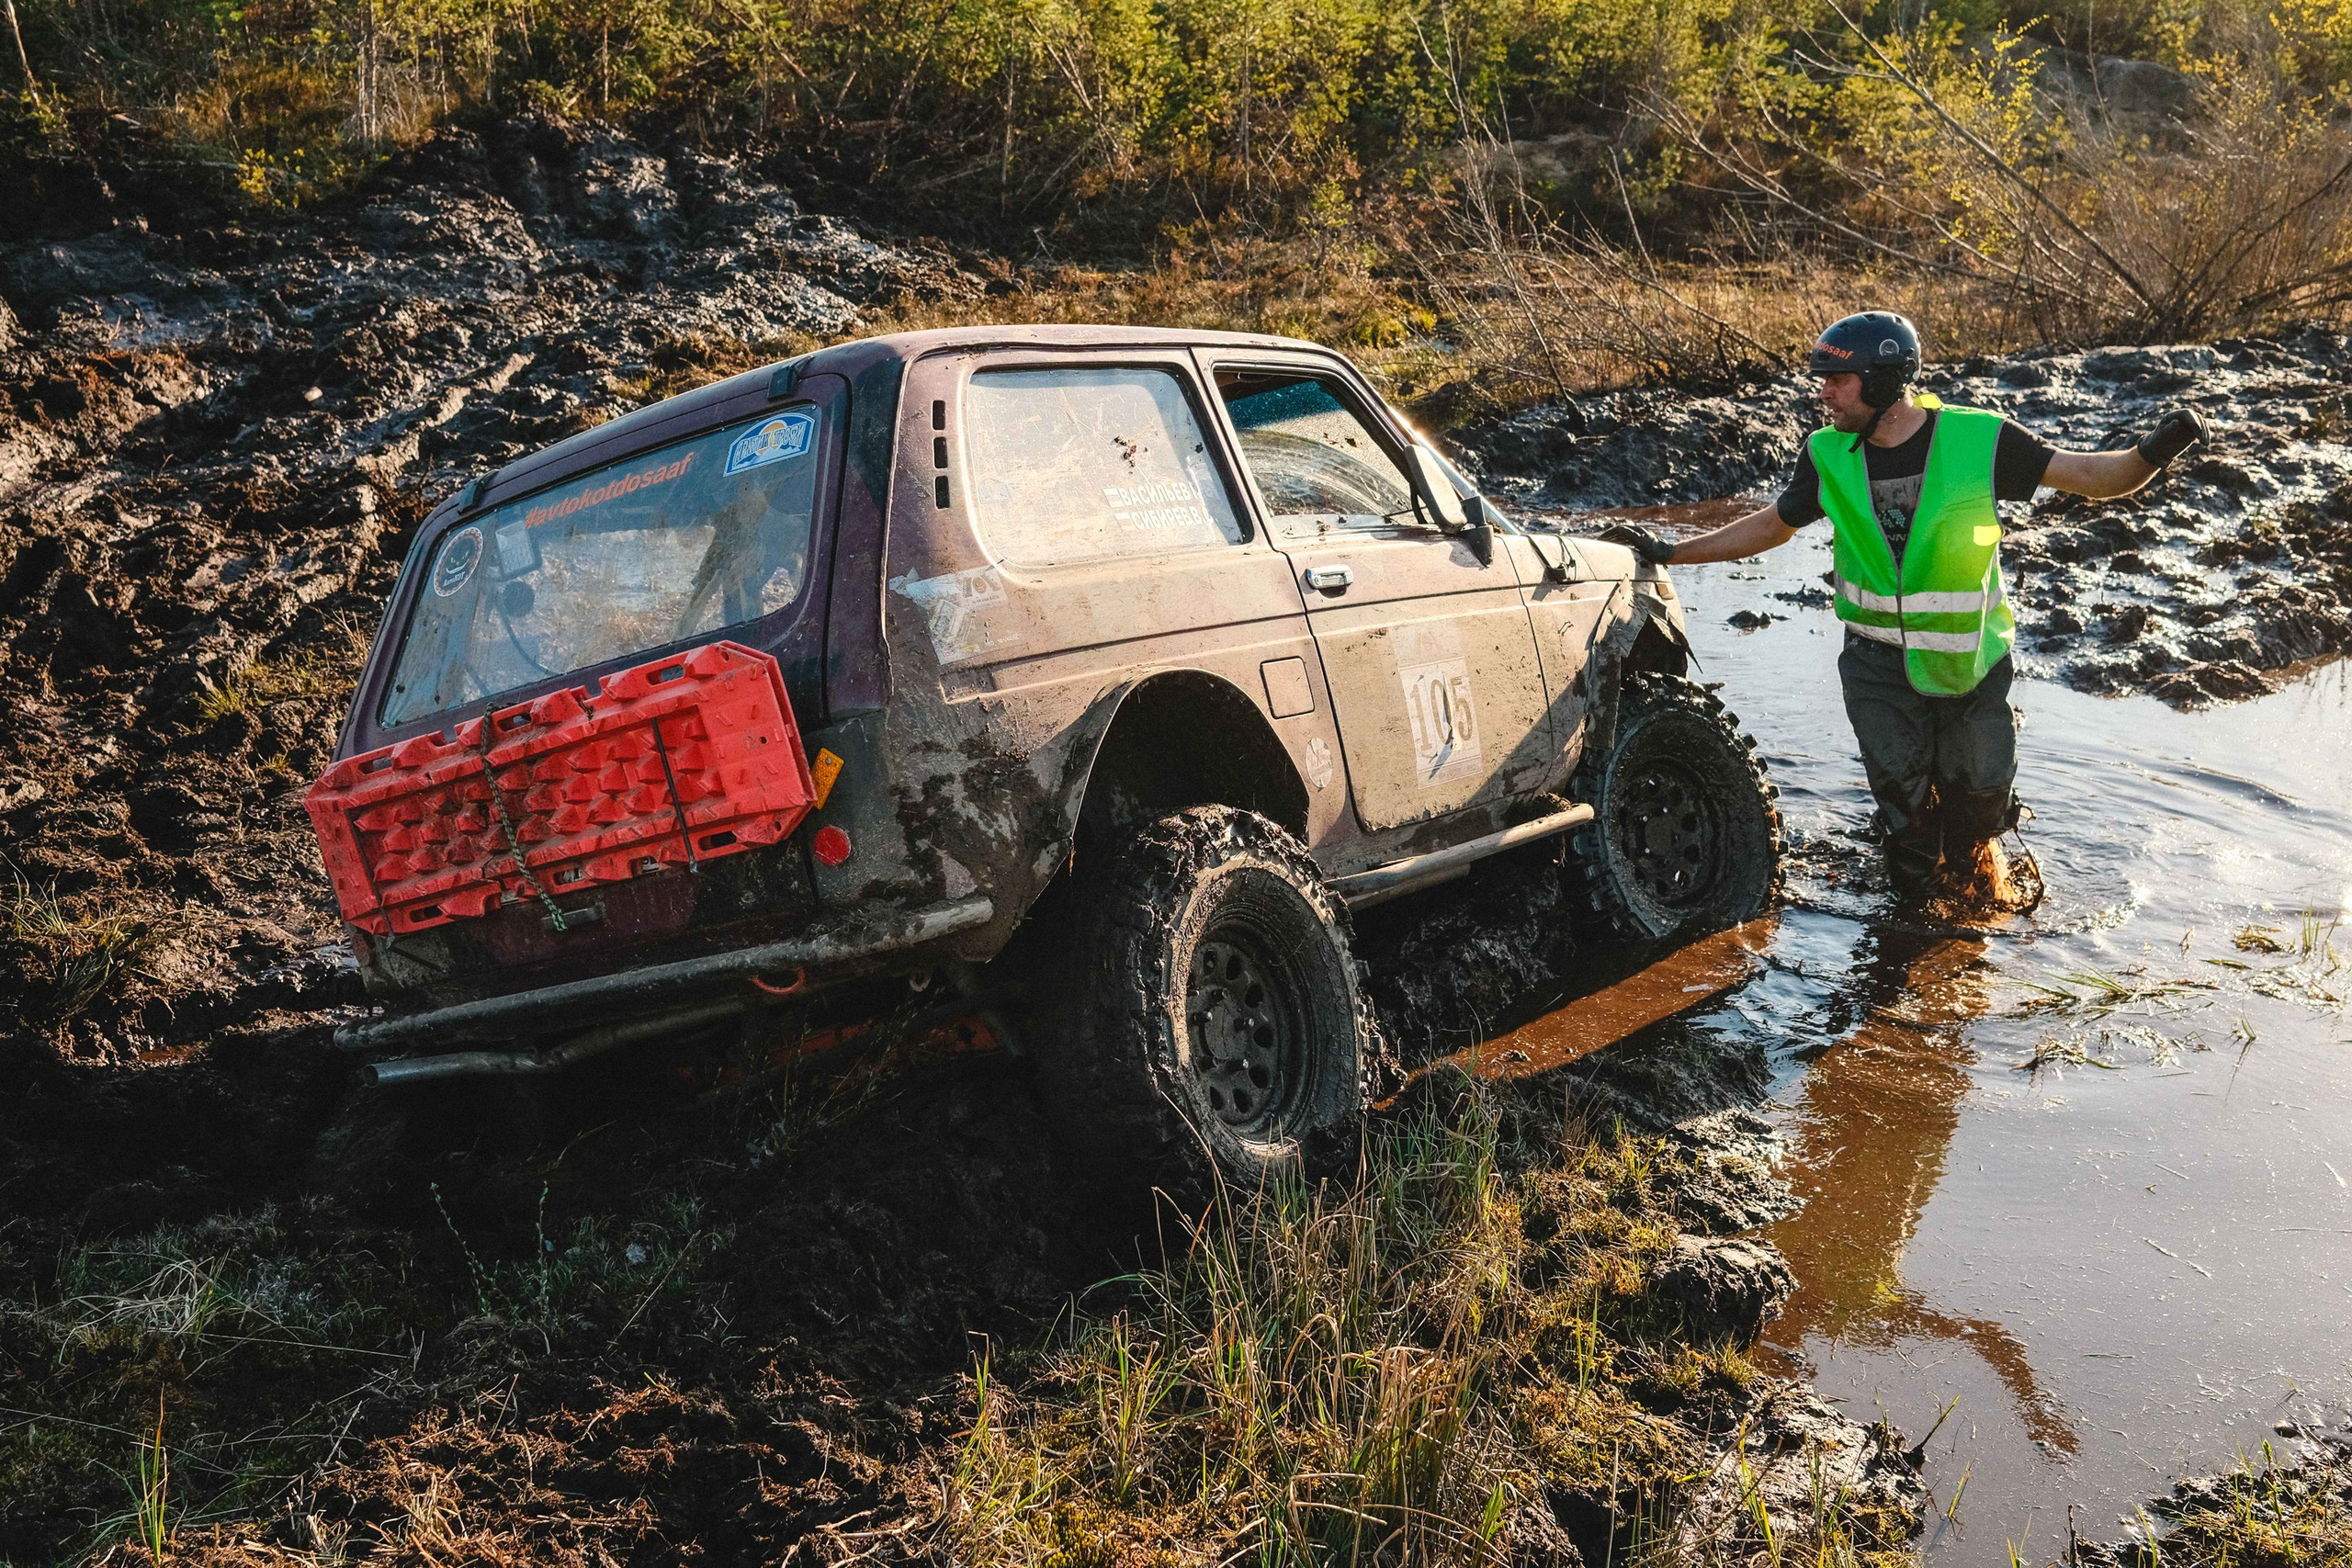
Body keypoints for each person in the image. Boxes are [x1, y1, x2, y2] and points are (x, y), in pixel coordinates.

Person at [1601, 311, 2205, 906]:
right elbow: (1773, 526)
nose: (1824, 393)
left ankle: (1976, 900)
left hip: (1970, 662)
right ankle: (1918, 921)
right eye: (1822, 381)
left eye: (1837, 381)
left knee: (1979, 801)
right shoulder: (1826, 455)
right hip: (1876, 667)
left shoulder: (1979, 439)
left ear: (1886, 383)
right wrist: (1673, 552)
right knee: (1905, 814)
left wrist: (2151, 453)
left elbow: (2091, 476)